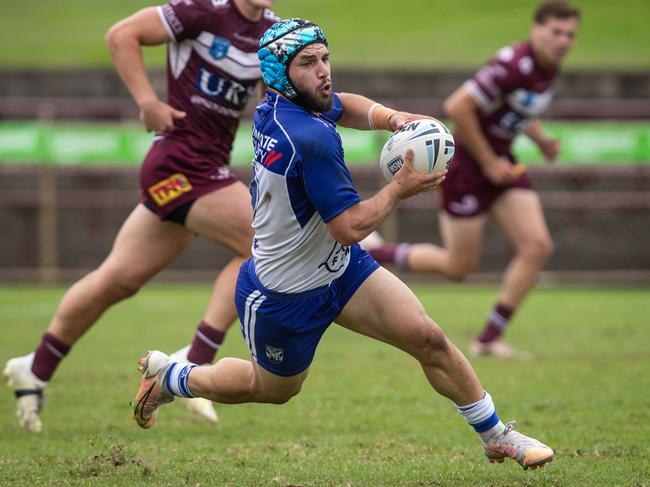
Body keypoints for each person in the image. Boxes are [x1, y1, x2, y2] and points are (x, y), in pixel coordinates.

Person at [130, 18, 556, 470]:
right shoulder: (308, 139)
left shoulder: (282, 105)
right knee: (269, 390)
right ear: (278, 73)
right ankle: (172, 378)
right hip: (283, 297)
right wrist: (400, 189)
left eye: (325, 58)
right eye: (308, 63)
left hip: (342, 271)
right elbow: (350, 227)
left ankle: (496, 435)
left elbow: (340, 105)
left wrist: (393, 118)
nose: (323, 71)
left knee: (428, 338)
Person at [2, 0, 280, 433]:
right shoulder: (203, 11)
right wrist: (148, 101)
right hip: (181, 165)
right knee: (266, 242)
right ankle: (195, 362)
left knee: (117, 279)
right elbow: (121, 35)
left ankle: (34, 368)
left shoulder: (272, 32)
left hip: (205, 168)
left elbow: (273, 106)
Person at [362, 0, 580, 358]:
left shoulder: (547, 68)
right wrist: (489, 160)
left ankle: (489, 339)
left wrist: (540, 141)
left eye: (570, 34)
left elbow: (522, 109)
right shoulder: (513, 64)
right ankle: (376, 250)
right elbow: (458, 106)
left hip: (502, 165)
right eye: (556, 32)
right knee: (459, 267)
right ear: (536, 29)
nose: (563, 41)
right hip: (467, 168)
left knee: (537, 246)